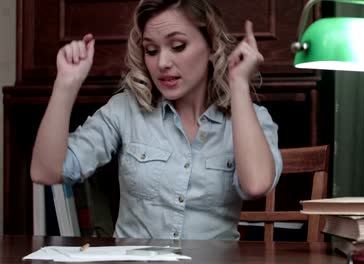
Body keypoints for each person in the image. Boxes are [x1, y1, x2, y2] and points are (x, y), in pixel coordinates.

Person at [30, 0, 282, 240]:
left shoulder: (251, 118)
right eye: (151, 50)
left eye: (178, 46)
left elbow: (256, 185)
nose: (162, 63)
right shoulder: (126, 109)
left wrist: (238, 82)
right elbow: (46, 171)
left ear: (212, 47)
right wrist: (65, 84)